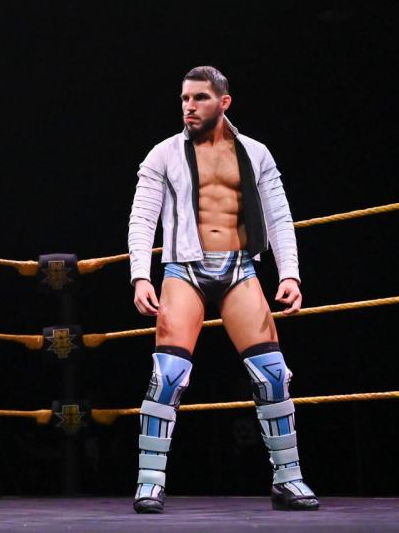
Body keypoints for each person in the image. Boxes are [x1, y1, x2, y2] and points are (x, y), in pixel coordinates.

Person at [126, 66, 319, 513]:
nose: (189, 107)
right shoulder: (163, 154)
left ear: (224, 102)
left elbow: (279, 217)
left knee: (273, 373)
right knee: (167, 375)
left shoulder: (255, 153)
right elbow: (142, 217)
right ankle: (149, 482)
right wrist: (140, 275)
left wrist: (290, 275)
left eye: (199, 98)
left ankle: (288, 479)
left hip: (238, 267)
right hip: (184, 269)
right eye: (184, 99)